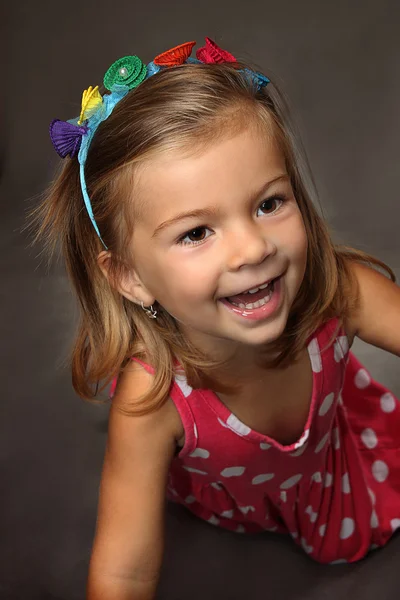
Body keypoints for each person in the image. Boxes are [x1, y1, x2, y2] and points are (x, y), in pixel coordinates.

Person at [29, 37, 400, 599]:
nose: (251, 249)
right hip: (229, 496)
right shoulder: (150, 398)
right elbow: (123, 572)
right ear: (129, 275)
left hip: (335, 461)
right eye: (196, 232)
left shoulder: (339, 293)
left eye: (269, 203)